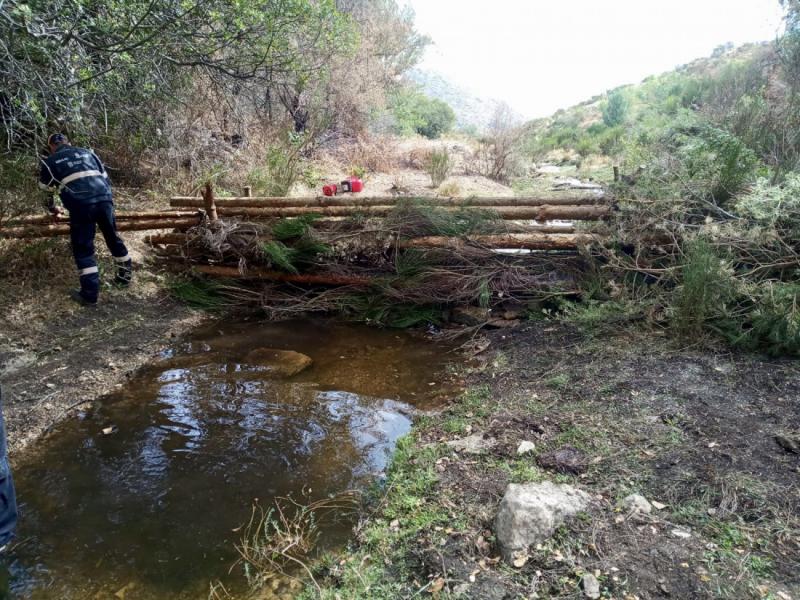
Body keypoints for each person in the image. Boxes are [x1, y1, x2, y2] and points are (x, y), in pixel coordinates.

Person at [39, 133, 133, 305]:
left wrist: (53, 209)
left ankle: (89, 295)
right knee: (113, 238)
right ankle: (124, 278)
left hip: (81, 205)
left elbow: (46, 192)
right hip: (104, 200)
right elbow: (105, 180)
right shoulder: (88, 153)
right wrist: (106, 201)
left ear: (51, 146)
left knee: (84, 248)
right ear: (68, 142)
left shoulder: (49, 162)